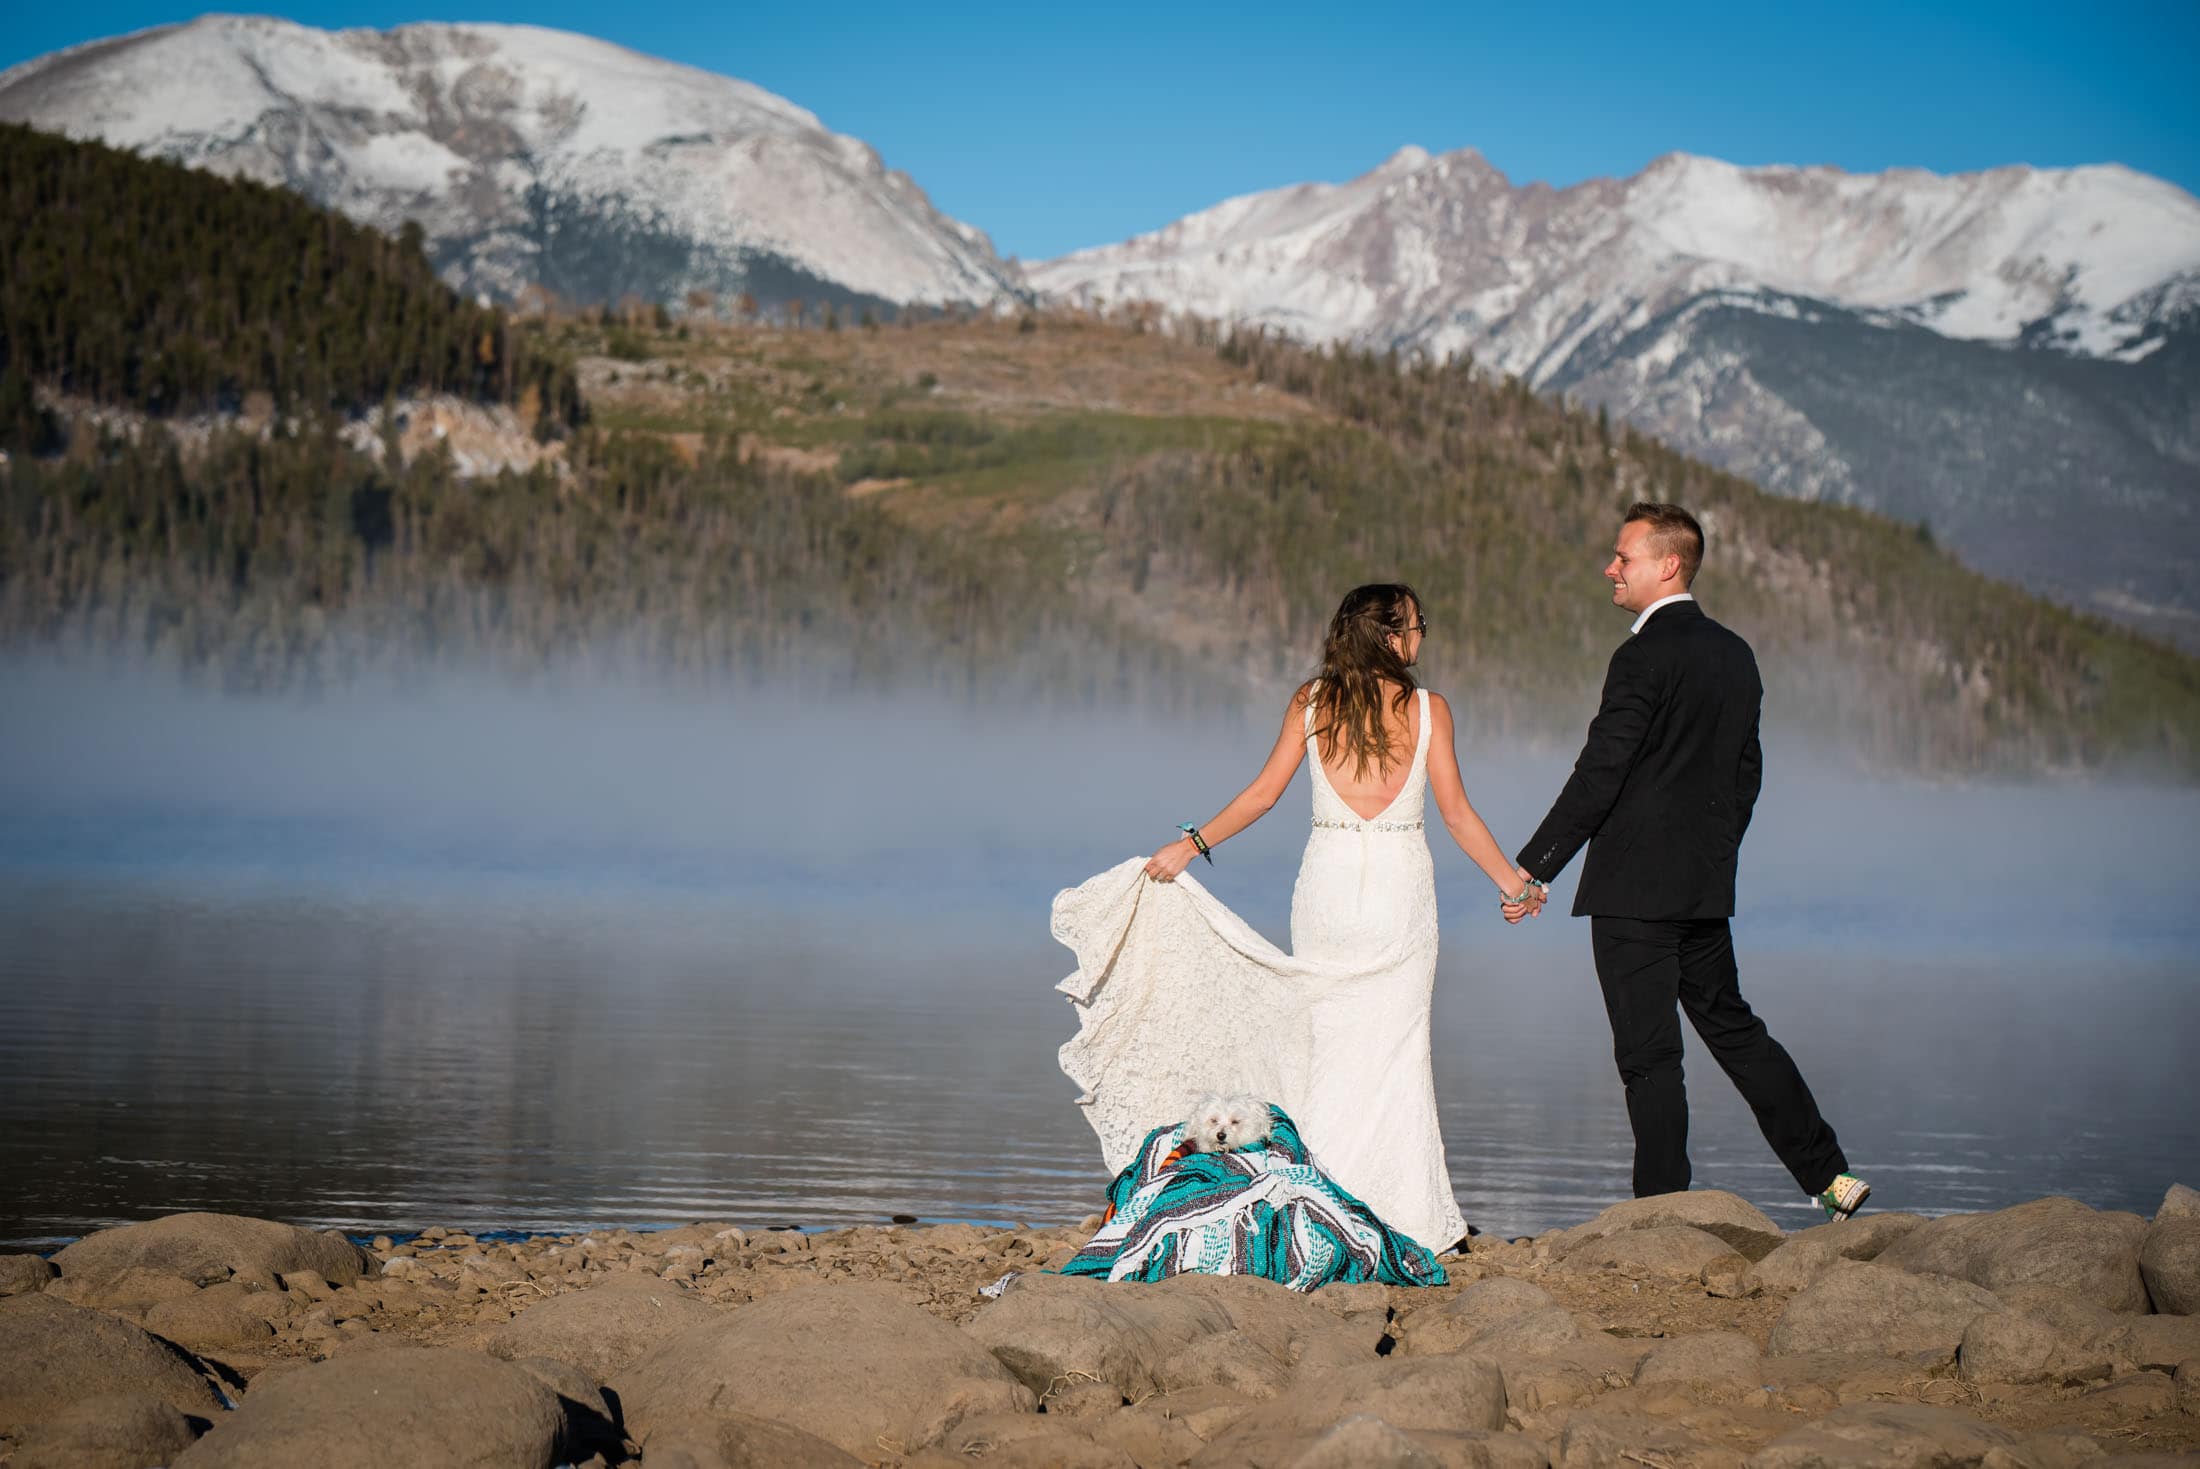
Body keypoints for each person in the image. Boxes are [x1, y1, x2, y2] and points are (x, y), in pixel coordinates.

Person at [1051, 583, 1541, 1253]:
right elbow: (1456, 814)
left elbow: (1261, 794)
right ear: (1393, 638)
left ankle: (1315, 1194)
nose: (1423, 635)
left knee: (1327, 1050)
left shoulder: (1312, 703)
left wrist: (1188, 846)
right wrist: (1512, 882)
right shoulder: (1430, 710)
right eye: (1418, 625)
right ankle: (1406, 1215)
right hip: (1399, 895)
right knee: (1396, 1055)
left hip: (1329, 892)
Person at [1512, 502, 1870, 1220]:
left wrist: (1535, 866)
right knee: (1735, 1029)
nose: (1610, 568)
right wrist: (1711, 853)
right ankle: (1829, 1174)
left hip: (1632, 891)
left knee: (1650, 1057)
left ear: (1667, 564)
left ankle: (1660, 1213)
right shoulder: (1735, 653)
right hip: (1702, 889)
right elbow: (1747, 775)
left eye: (1624, 557)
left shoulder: (1641, 655)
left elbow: (1601, 771)